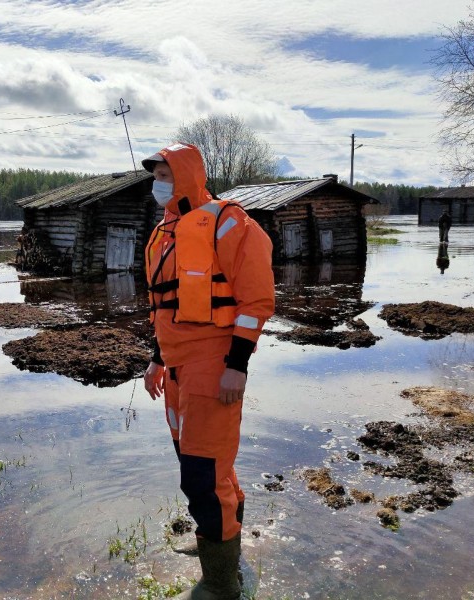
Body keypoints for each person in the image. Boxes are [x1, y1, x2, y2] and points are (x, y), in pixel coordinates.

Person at [141, 142, 275, 599]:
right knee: (201, 464)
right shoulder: (164, 233)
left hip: (215, 367)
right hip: (176, 370)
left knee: (202, 473)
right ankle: (220, 544)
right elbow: (166, 306)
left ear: (186, 175)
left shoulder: (229, 222)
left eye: (165, 173)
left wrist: (236, 366)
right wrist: (158, 359)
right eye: (155, 175)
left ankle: (221, 586)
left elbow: (257, 300)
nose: (158, 183)